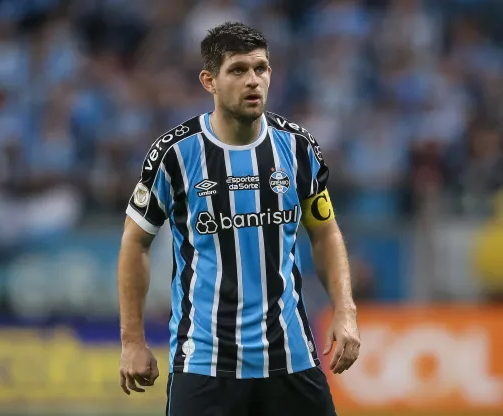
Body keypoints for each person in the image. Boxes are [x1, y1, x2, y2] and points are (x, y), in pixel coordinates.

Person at [117, 22, 360, 416]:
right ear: (209, 80)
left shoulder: (297, 147)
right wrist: (132, 340)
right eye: (238, 70)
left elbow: (325, 232)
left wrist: (345, 310)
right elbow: (134, 242)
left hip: (291, 355)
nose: (253, 80)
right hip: (204, 360)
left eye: (261, 68)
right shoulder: (176, 153)